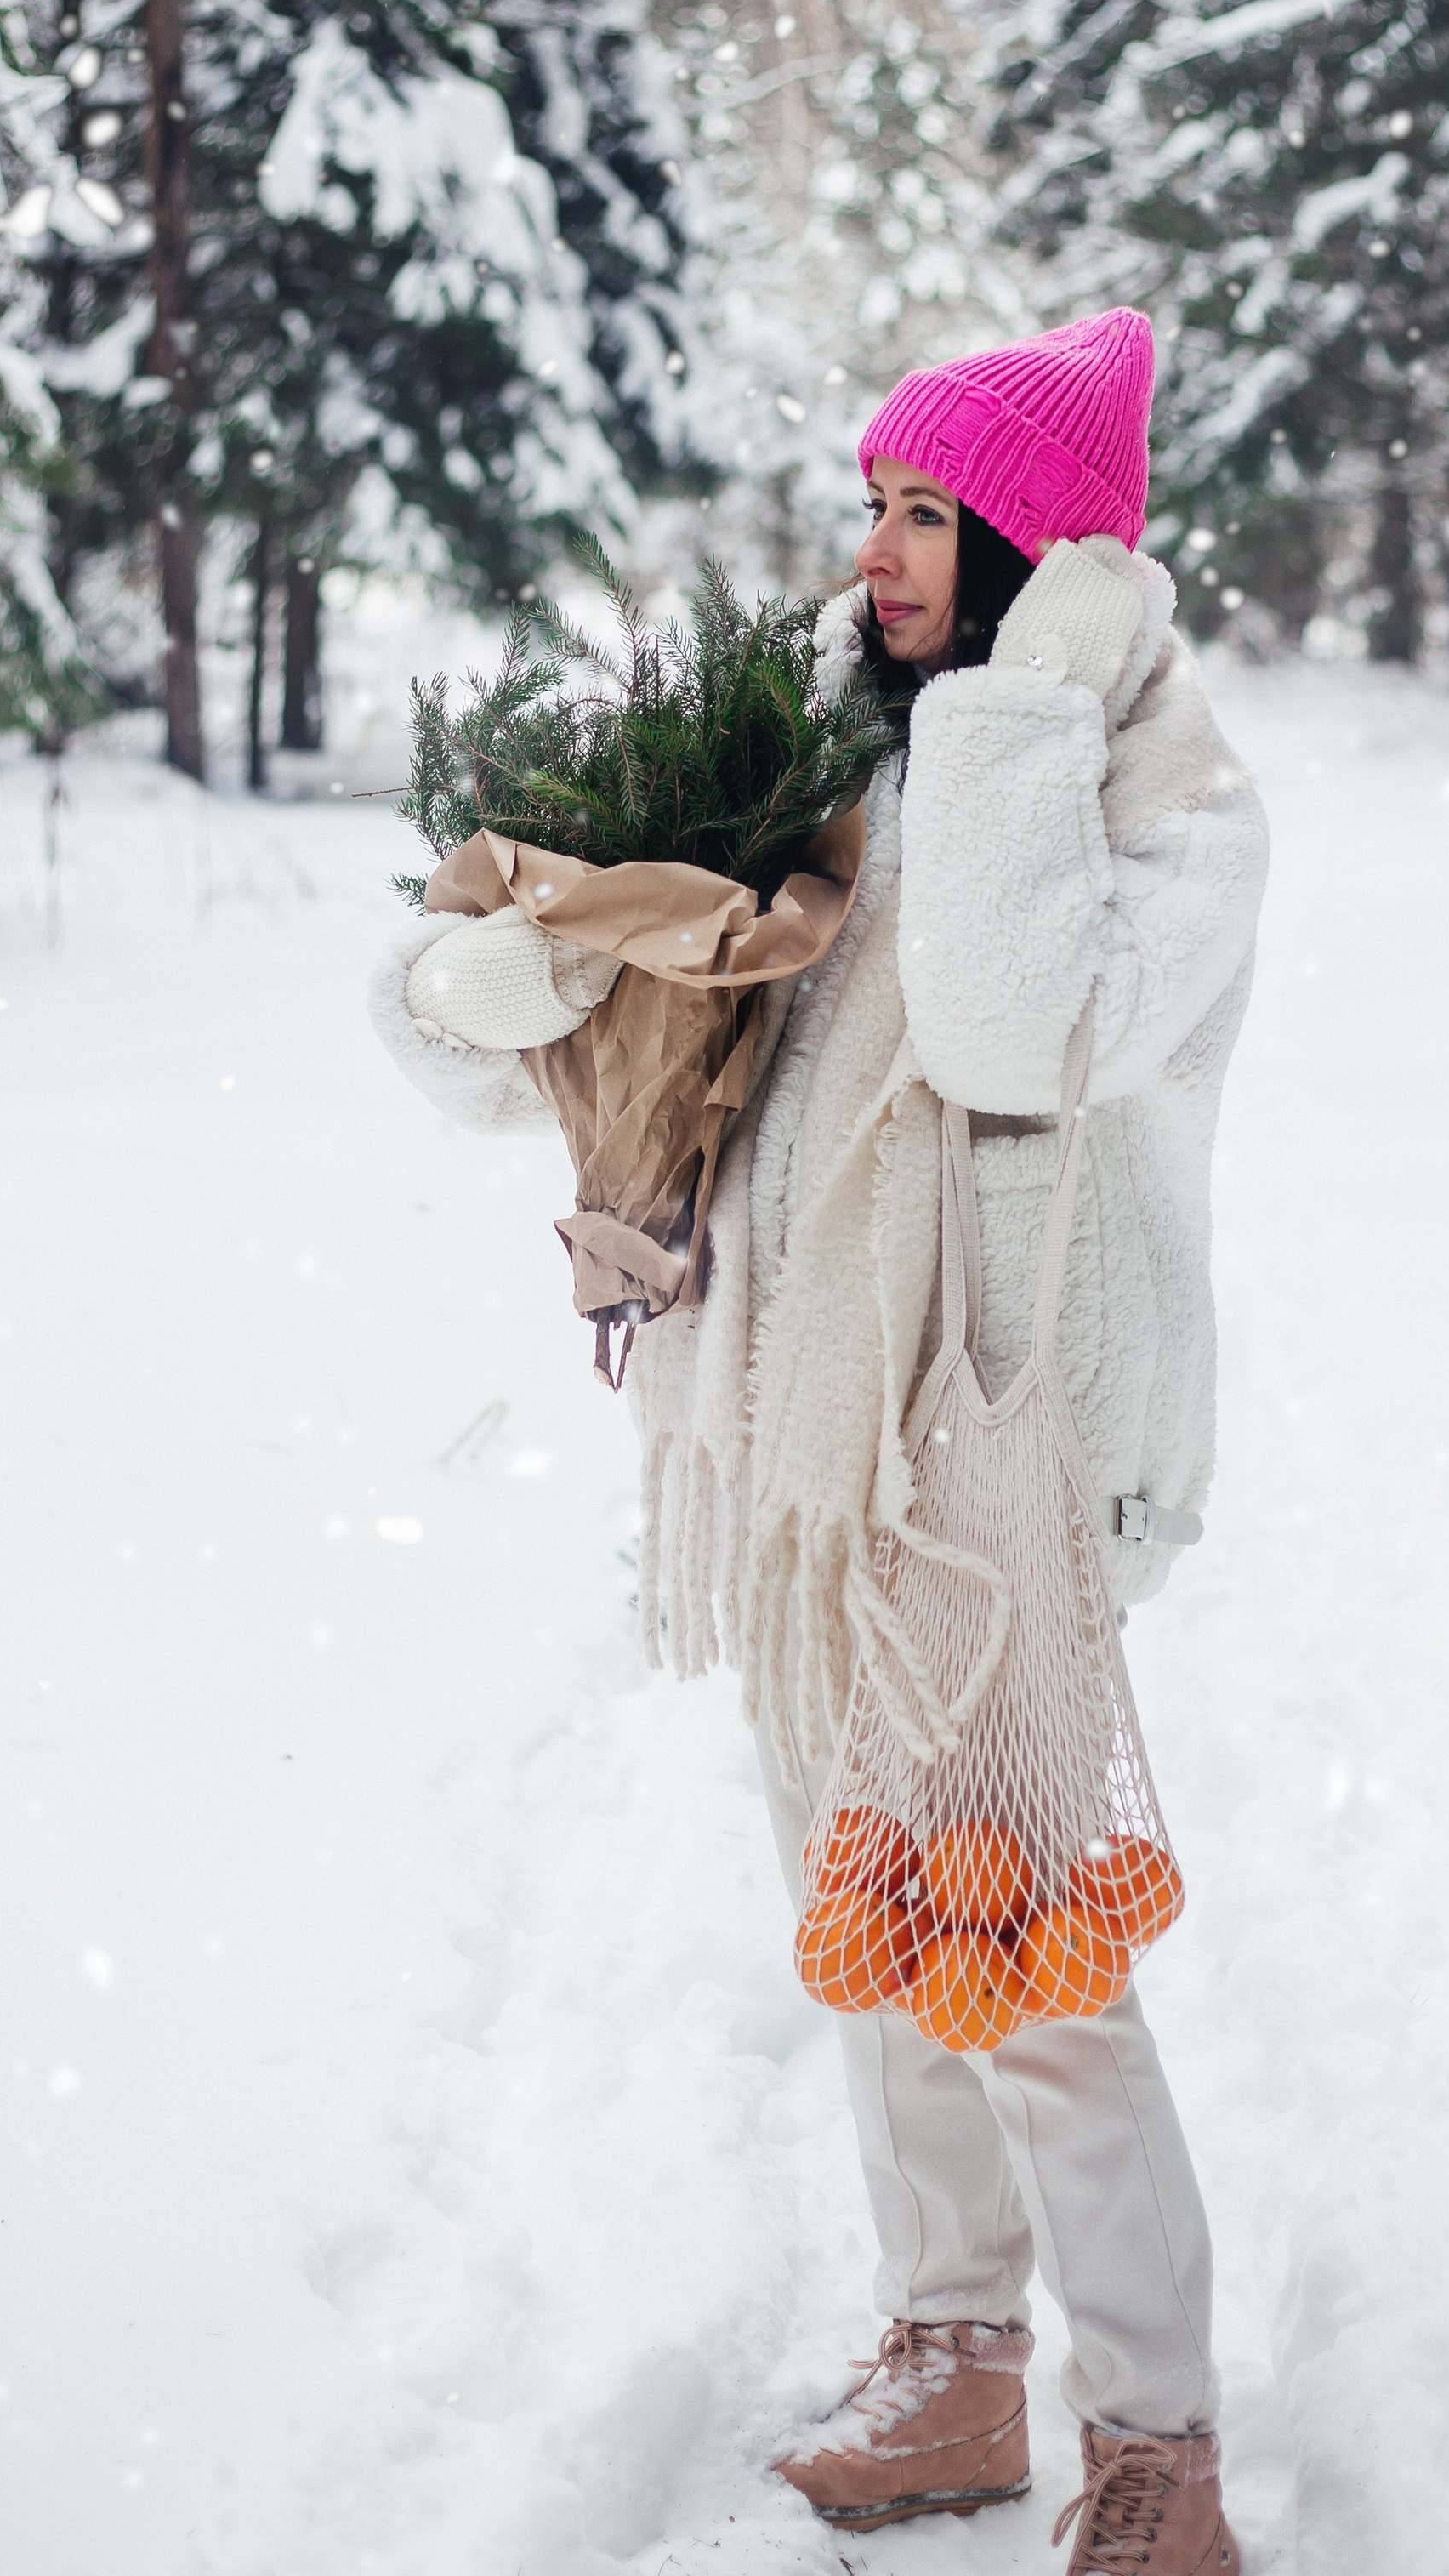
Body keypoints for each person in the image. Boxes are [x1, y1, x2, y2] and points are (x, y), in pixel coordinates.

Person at [371, 308, 1269, 2574]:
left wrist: (1020, 707)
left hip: (995, 1462)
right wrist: (479, 993)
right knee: (873, 1920)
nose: (874, 550)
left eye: (927, 514)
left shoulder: (1160, 799)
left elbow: (1004, 1022)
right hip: (794, 1456)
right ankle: (956, 2354)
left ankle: (1159, 2445)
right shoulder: (816, 759)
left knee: (1027, 1959)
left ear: (1048, 558)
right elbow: (562, 975)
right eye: (869, 502)